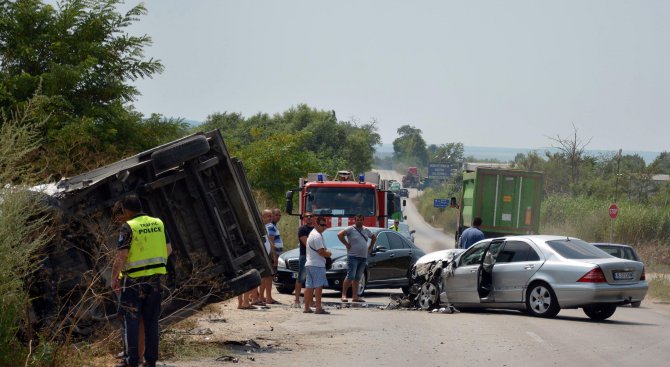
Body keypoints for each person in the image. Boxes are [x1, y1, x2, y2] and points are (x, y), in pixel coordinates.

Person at [111, 195, 172, 367]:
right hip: (154, 281)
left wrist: (114, 278)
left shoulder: (128, 227)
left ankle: (133, 361)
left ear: (125, 210)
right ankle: (150, 361)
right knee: (151, 322)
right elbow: (168, 249)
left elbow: (122, 255)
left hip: (133, 282)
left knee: (131, 321)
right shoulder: (158, 223)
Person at [337, 214, 376, 303]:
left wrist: (370, 247)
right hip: (353, 257)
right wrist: (346, 244)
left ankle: (355, 296)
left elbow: (373, 237)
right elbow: (339, 235)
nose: (359, 221)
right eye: (357, 220)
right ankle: (344, 295)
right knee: (350, 276)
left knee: (357, 278)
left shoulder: (366, 230)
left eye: (361, 220)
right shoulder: (350, 229)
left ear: (363, 220)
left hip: (363, 257)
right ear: (354, 220)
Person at [304, 216, 332, 314]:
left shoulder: (312, 234)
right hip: (317, 264)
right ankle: (318, 308)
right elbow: (321, 251)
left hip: (310, 263)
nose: (324, 227)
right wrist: (328, 254)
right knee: (318, 287)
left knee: (309, 287)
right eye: (322, 225)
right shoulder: (317, 236)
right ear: (316, 224)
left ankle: (306, 307)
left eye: (325, 225)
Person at [293, 212, 315, 308]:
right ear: (303, 218)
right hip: (305, 256)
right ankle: (297, 300)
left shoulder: (315, 229)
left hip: (314, 257)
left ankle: (310, 300)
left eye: (311, 216)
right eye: (307, 216)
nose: (309, 218)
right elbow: (307, 244)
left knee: (312, 278)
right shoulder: (302, 229)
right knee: (301, 278)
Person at [260, 209, 279, 304]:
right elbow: (271, 242)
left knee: (265, 276)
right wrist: (274, 256)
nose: (271, 218)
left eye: (271, 216)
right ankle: (268, 297)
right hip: (271, 254)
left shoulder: (265, 226)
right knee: (269, 277)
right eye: (268, 216)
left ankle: (262, 296)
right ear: (262, 217)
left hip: (267, 253)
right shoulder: (271, 227)